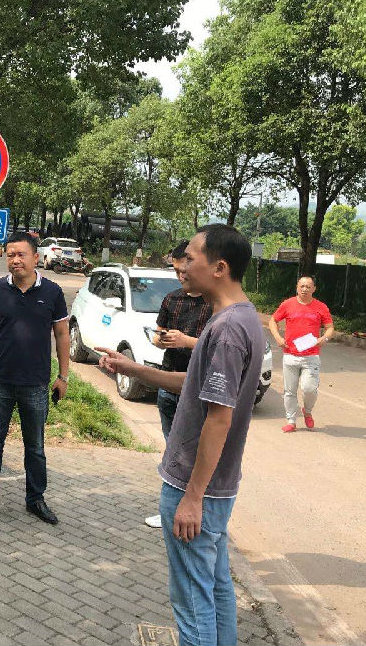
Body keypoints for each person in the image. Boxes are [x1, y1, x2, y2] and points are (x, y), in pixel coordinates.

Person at [96, 224, 264, 646]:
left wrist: (192, 497)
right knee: (216, 587)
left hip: (195, 487)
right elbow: (193, 383)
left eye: (190, 258)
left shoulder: (227, 329)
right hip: (215, 488)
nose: (181, 266)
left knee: (192, 601)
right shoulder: (240, 319)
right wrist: (132, 368)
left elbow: (218, 419)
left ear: (219, 268)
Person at [0, 231, 70, 525]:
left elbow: (62, 334)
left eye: (21, 254)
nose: (15, 260)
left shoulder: (53, 292)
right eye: (10, 255)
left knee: (35, 447)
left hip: (36, 384)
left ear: (36, 257)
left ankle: (36, 499)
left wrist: (63, 376)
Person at [143, 240, 212, 529]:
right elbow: (157, 334)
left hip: (198, 389)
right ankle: (171, 509)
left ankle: (195, 509)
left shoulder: (214, 303)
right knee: (172, 450)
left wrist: (186, 341)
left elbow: (217, 347)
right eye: (176, 271)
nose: (180, 276)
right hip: (168, 384)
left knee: (194, 454)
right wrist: (161, 339)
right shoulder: (171, 299)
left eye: (184, 269)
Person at [268, 276, 334, 433]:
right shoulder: (288, 304)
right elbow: (272, 321)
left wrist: (324, 338)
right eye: (302, 286)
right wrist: (278, 338)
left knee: (309, 388)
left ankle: (307, 411)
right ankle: (291, 421)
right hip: (290, 355)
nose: (304, 289)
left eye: (308, 287)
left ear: (314, 289)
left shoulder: (321, 307)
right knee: (289, 391)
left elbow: (330, 327)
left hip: (311, 356)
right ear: (297, 287)